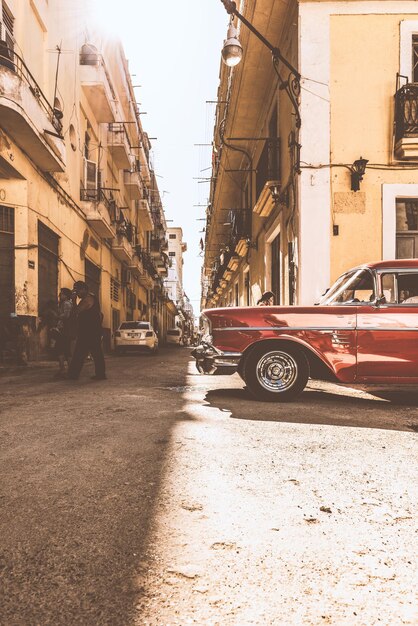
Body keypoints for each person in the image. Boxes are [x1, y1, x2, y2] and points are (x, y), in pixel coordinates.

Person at [67, 281, 106, 380]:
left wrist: (73, 301)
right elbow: (101, 315)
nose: (77, 293)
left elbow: (75, 312)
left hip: (88, 332)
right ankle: (100, 374)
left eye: (78, 290)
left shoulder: (87, 300)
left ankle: (72, 375)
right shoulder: (92, 298)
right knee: (96, 353)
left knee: (79, 353)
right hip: (92, 331)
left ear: (84, 289)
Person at [53, 288, 75, 378]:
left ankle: (64, 369)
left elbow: (66, 315)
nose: (60, 295)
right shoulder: (69, 303)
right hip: (66, 330)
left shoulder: (66, 303)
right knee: (66, 350)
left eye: (62, 294)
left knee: (61, 349)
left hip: (63, 330)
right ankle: (70, 370)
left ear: (66, 295)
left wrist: (57, 316)